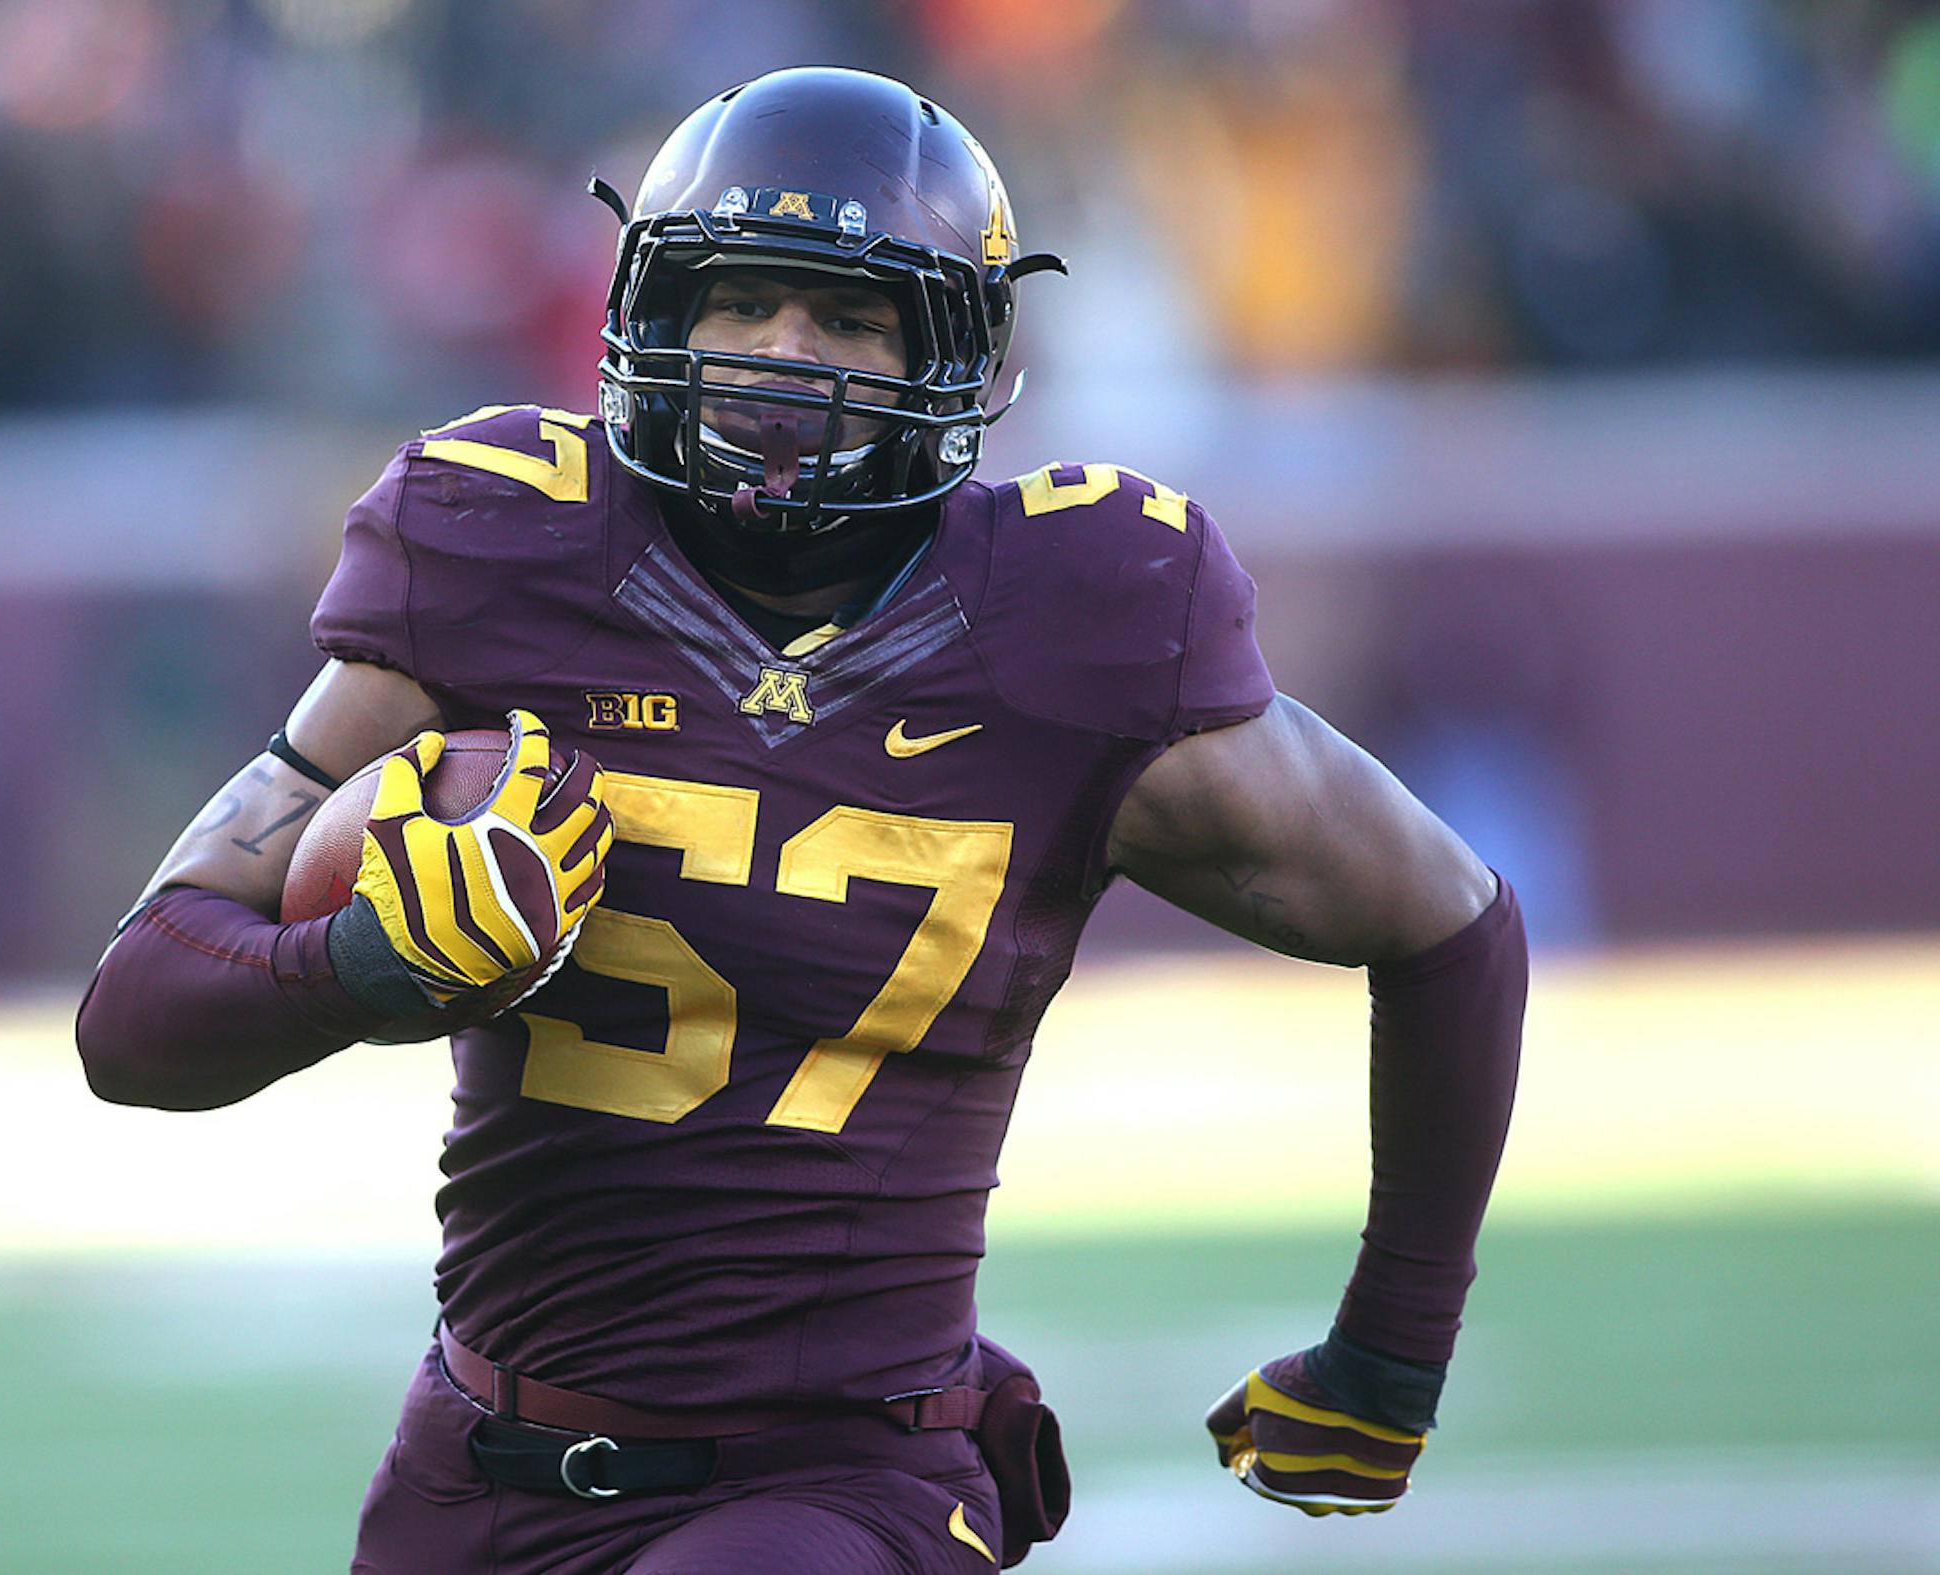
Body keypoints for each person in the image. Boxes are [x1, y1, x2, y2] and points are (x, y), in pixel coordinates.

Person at [76, 66, 1526, 1573]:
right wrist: (362, 969)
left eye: (848, 317)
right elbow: (132, 1020)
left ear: (953, 350)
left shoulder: (1078, 617)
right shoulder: (499, 548)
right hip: (482, 1465)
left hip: (842, 1484)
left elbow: (1446, 918)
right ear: (656, 312)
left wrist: (1393, 1348)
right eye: (742, 301)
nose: (784, 355)